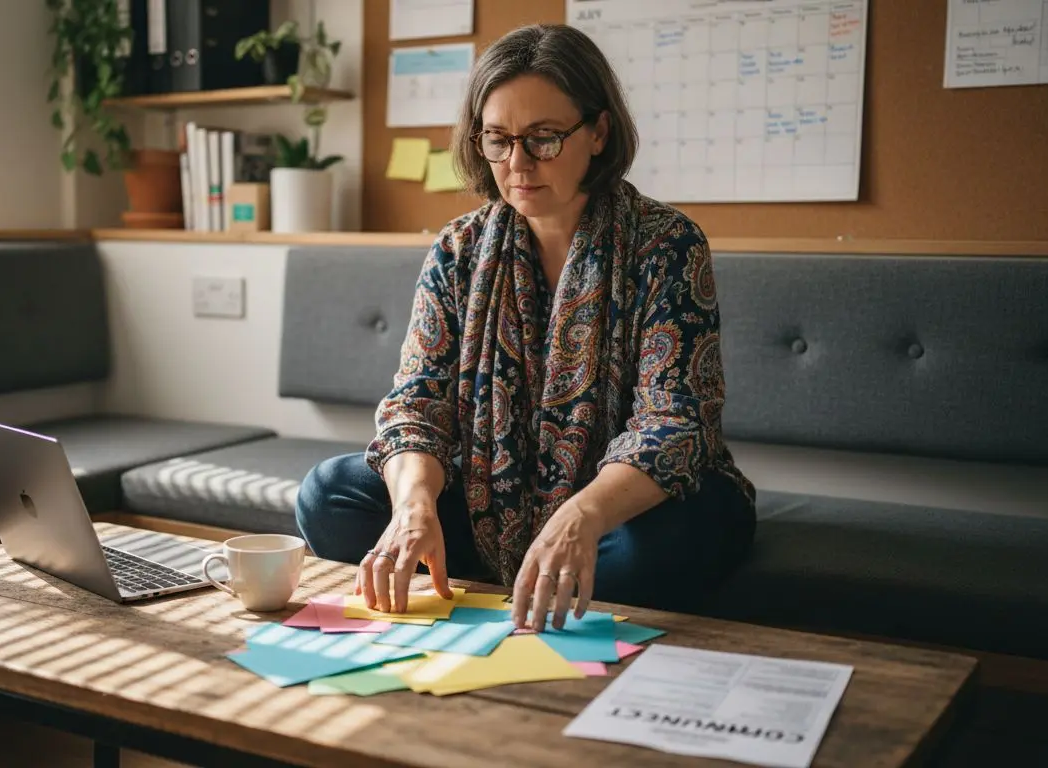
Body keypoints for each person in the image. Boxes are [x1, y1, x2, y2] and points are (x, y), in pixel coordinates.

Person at [294, 23, 757, 632]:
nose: (517, 163)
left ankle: (528, 574)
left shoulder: (666, 244)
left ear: (598, 132)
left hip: (626, 504)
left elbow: (674, 425)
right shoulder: (458, 249)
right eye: (498, 139)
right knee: (330, 492)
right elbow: (416, 404)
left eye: (543, 138)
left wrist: (580, 517)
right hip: (492, 499)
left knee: (663, 543)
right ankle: (516, 576)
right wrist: (414, 505)